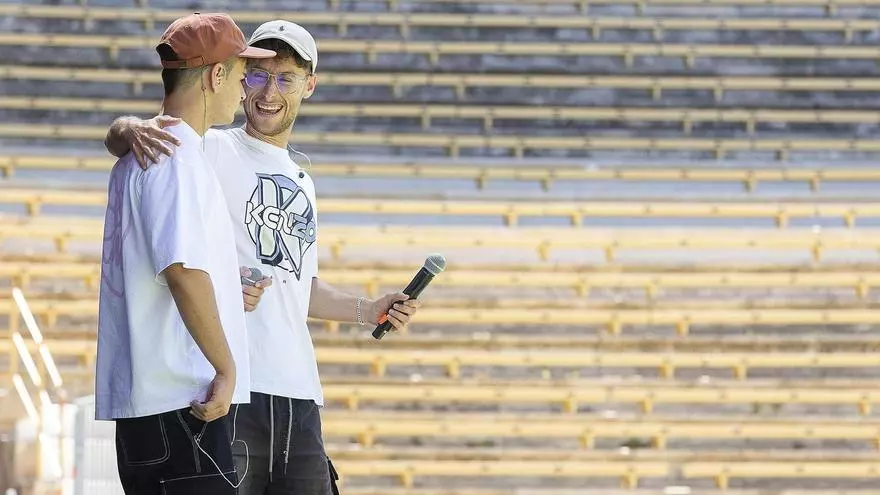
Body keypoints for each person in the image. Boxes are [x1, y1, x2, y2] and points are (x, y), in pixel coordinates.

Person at [104, 20, 422, 495]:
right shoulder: (210, 145)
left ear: (309, 85)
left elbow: (298, 287)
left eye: (286, 78)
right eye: (256, 76)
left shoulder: (302, 179)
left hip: (299, 393)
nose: (268, 91)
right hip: (233, 389)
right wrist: (130, 128)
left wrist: (367, 309)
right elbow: (140, 139)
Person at [95, 13, 275, 494]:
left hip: (147, 409)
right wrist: (228, 365)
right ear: (216, 75)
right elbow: (181, 270)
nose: (245, 90)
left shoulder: (142, 151)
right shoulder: (176, 156)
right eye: (241, 76)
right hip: (182, 403)